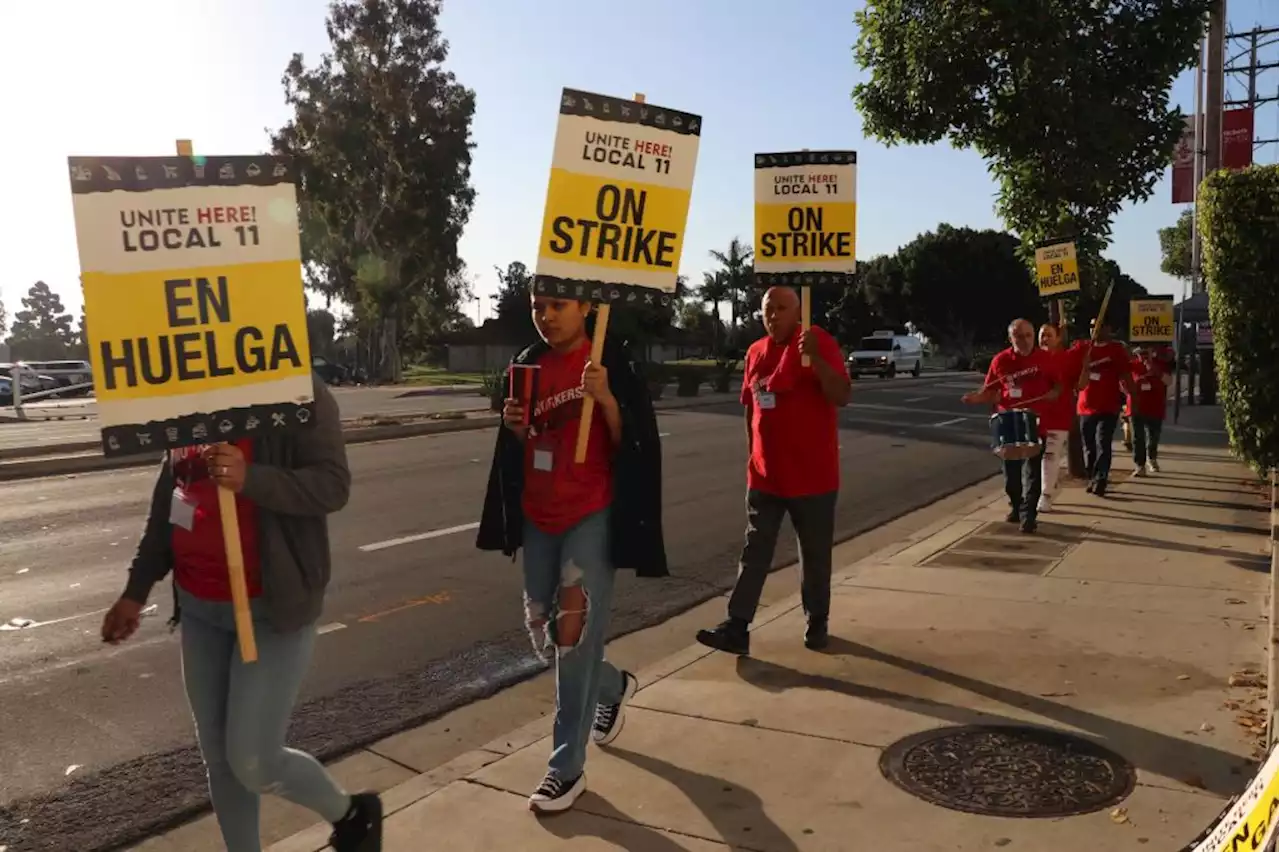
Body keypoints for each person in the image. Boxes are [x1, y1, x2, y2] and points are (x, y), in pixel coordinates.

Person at [100, 377, 382, 852]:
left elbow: (332, 486)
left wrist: (252, 477)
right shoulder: (184, 393)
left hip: (271, 607)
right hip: (198, 607)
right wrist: (135, 590)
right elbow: (168, 504)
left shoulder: (295, 388)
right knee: (220, 759)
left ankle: (351, 813)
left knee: (253, 759)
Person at [476, 291, 666, 814]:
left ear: (586, 307)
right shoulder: (526, 363)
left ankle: (566, 767)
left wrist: (605, 400)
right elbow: (516, 445)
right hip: (539, 515)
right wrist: (514, 427)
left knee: (572, 634)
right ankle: (611, 686)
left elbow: (639, 441)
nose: (547, 315)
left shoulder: (610, 360)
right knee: (544, 628)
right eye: (539, 305)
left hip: (592, 513)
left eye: (558, 304)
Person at [695, 286, 851, 656]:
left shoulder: (817, 342)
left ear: (798, 312)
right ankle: (737, 626)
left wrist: (818, 360)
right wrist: (752, 455)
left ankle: (817, 620)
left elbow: (842, 395)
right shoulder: (756, 352)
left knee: (814, 555)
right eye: (768, 309)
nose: (774, 315)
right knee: (754, 552)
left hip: (813, 478)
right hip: (765, 477)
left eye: (782, 308)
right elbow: (751, 406)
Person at [962, 319, 1062, 534]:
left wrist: (1054, 394)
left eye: (1028, 335)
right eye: (1019, 336)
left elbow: (1058, 386)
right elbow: (989, 391)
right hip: (1008, 420)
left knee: (1033, 472)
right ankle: (1016, 506)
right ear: (1010, 338)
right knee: (1012, 476)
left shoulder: (1047, 359)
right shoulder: (1001, 361)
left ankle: (1029, 516)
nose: (1024, 340)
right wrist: (976, 399)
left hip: (1036, 421)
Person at [1073, 320, 1135, 497]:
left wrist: (1133, 398)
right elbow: (1064, 359)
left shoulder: (1116, 350)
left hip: (1108, 406)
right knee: (1089, 446)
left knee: (1103, 443)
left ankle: (1101, 479)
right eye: (1092, 326)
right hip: (1085, 407)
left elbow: (1126, 376)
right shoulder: (1082, 347)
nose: (1095, 330)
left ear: (1109, 328)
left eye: (1099, 326)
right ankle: (1092, 476)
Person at [1036, 323, 1079, 513]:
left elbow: (1081, 384)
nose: (1045, 339)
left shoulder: (1068, 358)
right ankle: (1046, 487)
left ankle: (1045, 495)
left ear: (1058, 338)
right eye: (1042, 335)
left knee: (1050, 455)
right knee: (1034, 457)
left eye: (1049, 335)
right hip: (1035, 416)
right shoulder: (1033, 359)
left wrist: (1084, 367)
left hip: (1059, 415)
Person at [1127, 345, 1173, 476]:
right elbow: (1123, 383)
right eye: (1140, 353)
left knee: (1153, 436)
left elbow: (1168, 381)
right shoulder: (1132, 365)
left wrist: (1156, 371)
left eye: (1146, 353)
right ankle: (1139, 465)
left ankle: (1152, 458)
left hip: (1155, 406)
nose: (1143, 356)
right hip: (1136, 407)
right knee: (1137, 437)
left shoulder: (1161, 365)